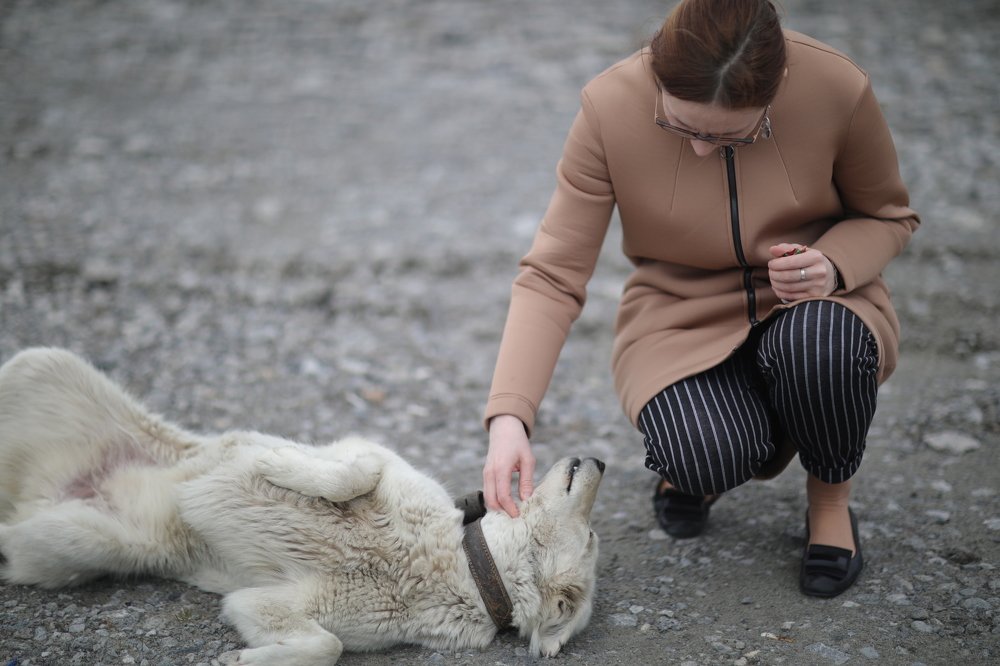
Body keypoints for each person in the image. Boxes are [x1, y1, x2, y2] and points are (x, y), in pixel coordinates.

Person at [481, 0, 918, 598]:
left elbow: (889, 215)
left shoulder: (837, 86)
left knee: (823, 348)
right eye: (681, 128)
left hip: (817, 305)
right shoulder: (608, 106)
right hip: (677, 317)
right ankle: (712, 463)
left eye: (731, 135)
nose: (703, 150)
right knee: (702, 453)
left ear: (775, 92)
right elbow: (554, 273)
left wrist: (833, 264)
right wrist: (510, 416)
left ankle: (829, 500)